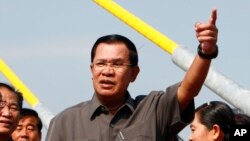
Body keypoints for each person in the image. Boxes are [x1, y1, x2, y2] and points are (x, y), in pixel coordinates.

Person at [46, 8, 218, 141]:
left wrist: (205, 52)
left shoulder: (152, 110)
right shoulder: (65, 122)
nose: (107, 71)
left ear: (134, 73)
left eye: (117, 64)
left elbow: (189, 89)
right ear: (92, 70)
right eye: (101, 64)